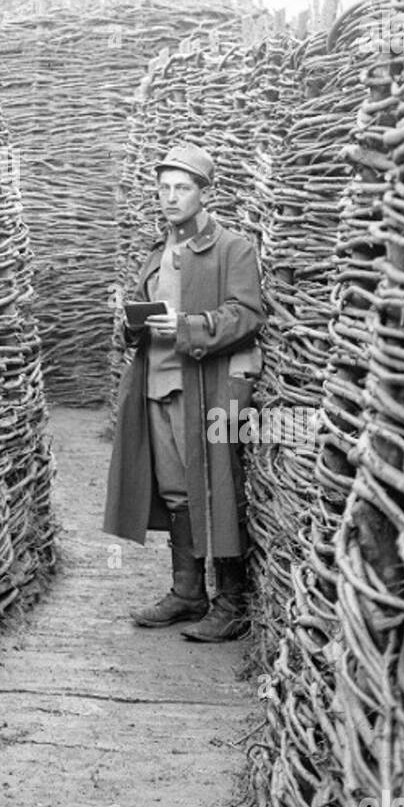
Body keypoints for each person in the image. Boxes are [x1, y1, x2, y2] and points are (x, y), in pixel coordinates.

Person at [103, 142, 264, 642]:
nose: (171, 197)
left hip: (209, 387)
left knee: (217, 485)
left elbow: (247, 315)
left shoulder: (232, 248)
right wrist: (132, 326)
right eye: (164, 188)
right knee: (175, 489)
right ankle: (187, 591)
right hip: (158, 383)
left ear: (203, 192)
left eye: (182, 188)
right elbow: (145, 319)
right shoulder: (157, 254)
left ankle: (232, 604)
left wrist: (189, 326)